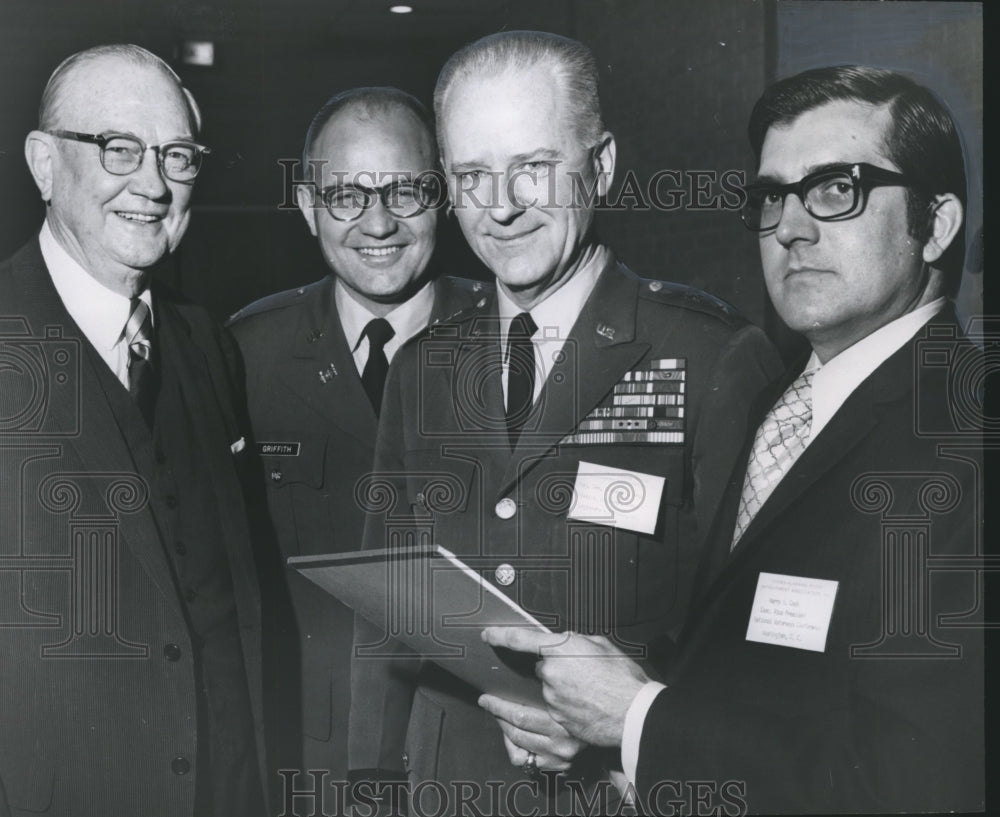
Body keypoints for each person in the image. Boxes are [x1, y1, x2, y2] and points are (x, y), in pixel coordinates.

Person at [483, 65, 985, 814]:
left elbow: (915, 783)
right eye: (770, 196)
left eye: (835, 189)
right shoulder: (783, 400)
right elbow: (742, 668)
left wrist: (637, 719)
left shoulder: (969, 440)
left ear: (936, 223)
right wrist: (605, 723)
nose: (790, 226)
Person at [348, 31, 782, 815]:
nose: (502, 206)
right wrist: (367, 790)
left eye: (533, 168)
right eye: (473, 176)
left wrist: (625, 720)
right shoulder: (421, 369)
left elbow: (750, 636)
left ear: (602, 165)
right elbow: (390, 621)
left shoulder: (709, 352)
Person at [0, 45, 267, 815]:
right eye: (119, 148)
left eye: (177, 156)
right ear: (45, 165)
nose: (151, 185)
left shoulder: (205, 344)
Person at [227, 87, 488, 798]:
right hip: (313, 761)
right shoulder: (246, 353)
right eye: (346, 194)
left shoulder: (513, 335)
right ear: (309, 206)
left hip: (474, 757)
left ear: (442, 199)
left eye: (405, 190)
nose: (378, 222)